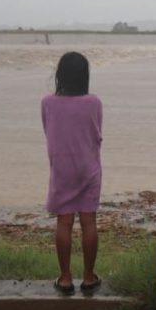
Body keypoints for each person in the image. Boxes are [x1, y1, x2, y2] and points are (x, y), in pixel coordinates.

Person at [42, 52, 103, 294]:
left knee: (64, 222)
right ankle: (89, 277)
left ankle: (65, 278)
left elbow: (49, 132)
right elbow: (97, 134)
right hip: (89, 167)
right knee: (89, 221)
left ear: (60, 75)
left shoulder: (48, 102)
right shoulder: (94, 102)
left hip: (62, 168)